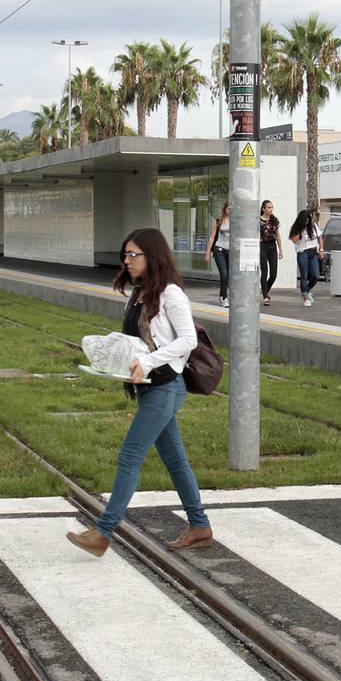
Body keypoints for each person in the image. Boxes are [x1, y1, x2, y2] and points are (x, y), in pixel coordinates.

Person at [67, 229, 213, 556]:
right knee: (175, 460)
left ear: (153, 255)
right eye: (125, 255)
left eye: (134, 255)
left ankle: (103, 533)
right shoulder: (140, 292)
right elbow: (136, 341)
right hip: (149, 388)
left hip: (166, 387)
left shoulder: (171, 294)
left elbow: (187, 340)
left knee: (130, 455)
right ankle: (200, 526)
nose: (127, 261)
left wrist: (147, 362)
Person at [289, 210, 325, 307]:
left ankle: (306, 290)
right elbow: (294, 240)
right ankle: (305, 298)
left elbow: (320, 237)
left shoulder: (313, 226)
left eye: (308, 220)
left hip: (313, 252)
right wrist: (300, 230)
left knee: (316, 275)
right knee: (304, 275)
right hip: (302, 252)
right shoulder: (296, 228)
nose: (307, 222)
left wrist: (321, 250)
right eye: (304, 221)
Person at [204, 200, 231, 307]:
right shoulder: (219, 221)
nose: (230, 211)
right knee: (224, 274)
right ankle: (224, 298)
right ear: (224, 209)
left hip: (230, 252)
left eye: (232, 210)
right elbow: (212, 237)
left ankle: (222, 295)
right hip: (219, 250)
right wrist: (207, 253)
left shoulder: (236, 221)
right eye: (228, 209)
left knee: (228, 276)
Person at [259, 200, 282, 305]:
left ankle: (264, 291)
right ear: (263, 209)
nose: (271, 209)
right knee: (264, 272)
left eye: (272, 207)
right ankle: (265, 296)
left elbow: (278, 235)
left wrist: (280, 249)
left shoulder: (274, 220)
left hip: (273, 247)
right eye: (268, 207)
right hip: (262, 246)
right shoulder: (258, 221)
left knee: (273, 274)